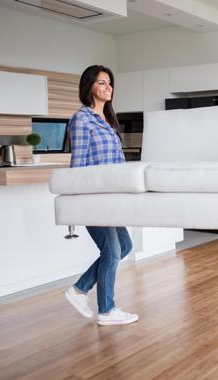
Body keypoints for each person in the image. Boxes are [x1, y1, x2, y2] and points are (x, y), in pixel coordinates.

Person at [63, 65, 139, 326]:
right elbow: (78, 163)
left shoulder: (108, 120)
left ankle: (79, 290)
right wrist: (78, 201)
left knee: (124, 246)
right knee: (113, 249)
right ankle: (107, 310)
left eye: (110, 83)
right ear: (89, 88)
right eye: (102, 83)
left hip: (112, 196)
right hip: (93, 197)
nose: (109, 88)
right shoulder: (82, 119)